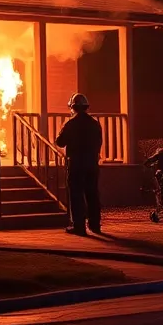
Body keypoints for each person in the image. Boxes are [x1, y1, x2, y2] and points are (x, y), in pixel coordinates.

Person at [55, 92, 103, 236]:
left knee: (76, 195)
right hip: (92, 164)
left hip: (76, 164)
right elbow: (99, 143)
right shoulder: (95, 124)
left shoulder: (71, 123)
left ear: (73, 107)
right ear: (86, 107)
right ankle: (95, 225)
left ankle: (79, 227)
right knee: (92, 194)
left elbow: (60, 142)